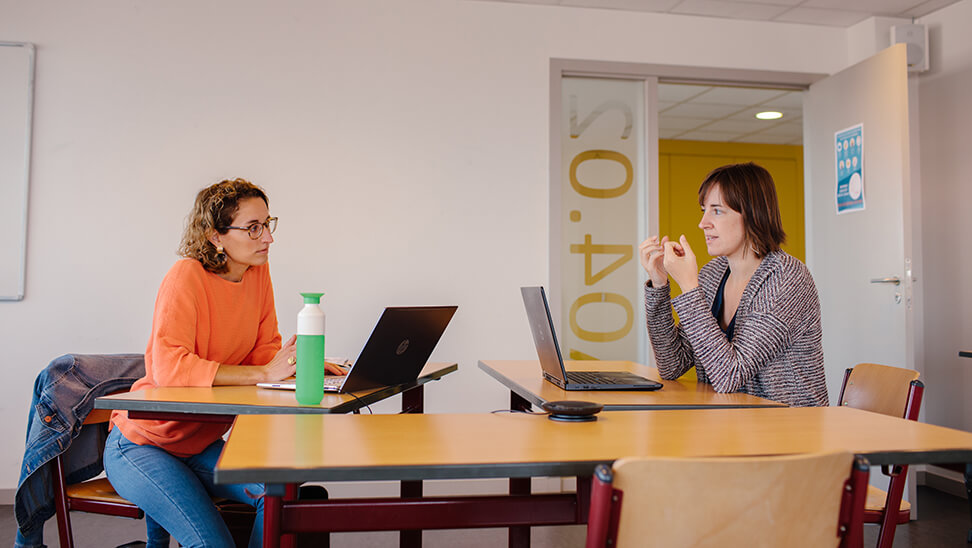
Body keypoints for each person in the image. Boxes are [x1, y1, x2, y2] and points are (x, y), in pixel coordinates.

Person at [104, 178, 344, 548]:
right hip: (143, 445)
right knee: (211, 543)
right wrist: (264, 373)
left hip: (199, 444)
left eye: (267, 224)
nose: (268, 238)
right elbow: (170, 368)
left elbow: (265, 352)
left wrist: (304, 364)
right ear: (216, 235)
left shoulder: (257, 274)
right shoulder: (186, 276)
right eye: (253, 228)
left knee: (280, 495)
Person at [639, 162, 828, 407]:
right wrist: (659, 284)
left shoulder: (786, 278)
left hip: (789, 429)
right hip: (730, 424)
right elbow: (671, 364)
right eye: (703, 210)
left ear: (751, 214)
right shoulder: (713, 273)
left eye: (717, 211)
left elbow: (730, 375)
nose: (703, 223)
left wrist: (688, 287)